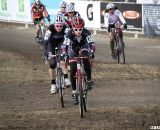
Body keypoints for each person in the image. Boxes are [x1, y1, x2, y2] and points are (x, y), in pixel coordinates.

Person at [61, 16, 95, 105]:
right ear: (72, 28)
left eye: (80, 29)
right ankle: (74, 92)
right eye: (76, 29)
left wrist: (92, 51)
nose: (78, 31)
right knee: (73, 69)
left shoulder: (86, 32)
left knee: (86, 58)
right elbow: (65, 45)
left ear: (83, 28)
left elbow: (92, 44)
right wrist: (64, 53)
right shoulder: (68, 33)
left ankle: (89, 80)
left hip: (83, 47)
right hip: (73, 50)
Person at [44, 14, 71, 94]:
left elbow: (70, 40)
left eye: (60, 26)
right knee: (52, 64)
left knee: (63, 58)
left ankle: (66, 78)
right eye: (57, 26)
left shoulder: (66, 28)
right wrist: (45, 52)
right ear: (54, 25)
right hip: (50, 45)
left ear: (63, 25)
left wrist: (68, 51)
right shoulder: (50, 29)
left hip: (61, 44)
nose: (59, 28)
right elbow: (45, 41)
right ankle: (53, 84)